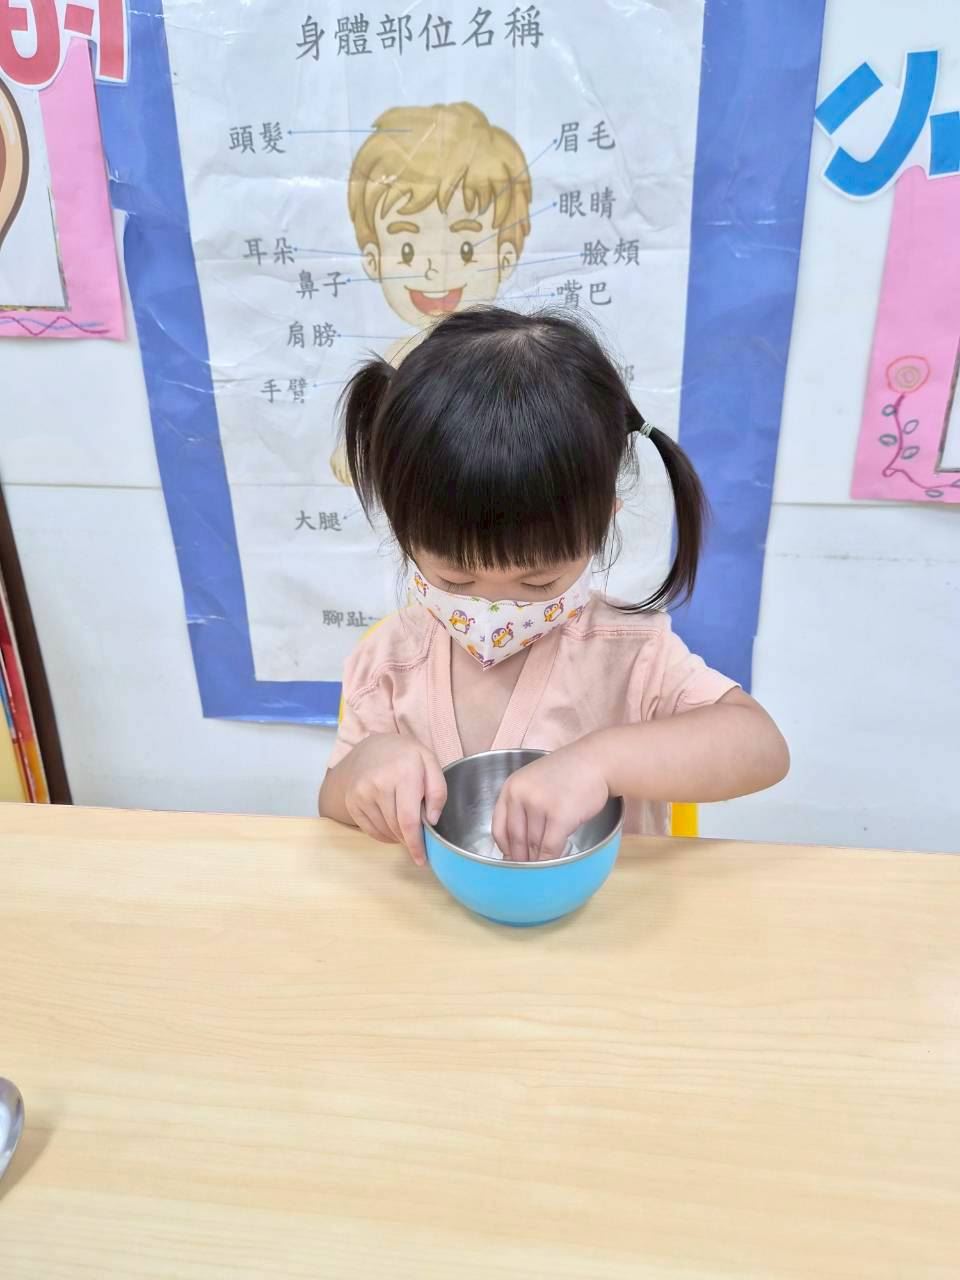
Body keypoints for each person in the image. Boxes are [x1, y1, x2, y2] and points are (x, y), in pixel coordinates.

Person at [319, 307, 789, 864]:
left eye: (538, 580)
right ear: (403, 532)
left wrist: (600, 762)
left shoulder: (631, 654)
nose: (494, 605)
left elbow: (762, 746)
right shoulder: (389, 663)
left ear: (600, 525)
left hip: (610, 911)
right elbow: (332, 801)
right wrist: (365, 771)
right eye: (455, 578)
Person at [330, 102, 532, 483]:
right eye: (407, 249)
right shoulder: (402, 357)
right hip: (426, 499)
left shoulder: (509, 352)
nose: (435, 270)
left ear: (505, 257)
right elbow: (371, 421)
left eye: (466, 248)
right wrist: (353, 451)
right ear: (373, 259)